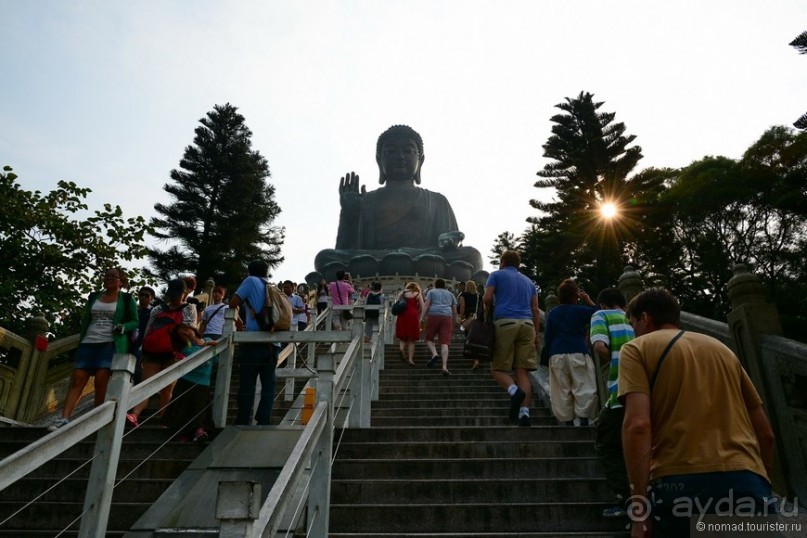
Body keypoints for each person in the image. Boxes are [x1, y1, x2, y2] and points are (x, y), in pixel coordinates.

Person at [619, 288, 776, 537]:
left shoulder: (637, 349)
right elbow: (765, 433)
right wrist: (760, 479)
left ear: (645, 318)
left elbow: (638, 425)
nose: (633, 330)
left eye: (632, 323)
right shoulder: (723, 350)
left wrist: (639, 507)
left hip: (681, 484)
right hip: (747, 480)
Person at [313, 125, 483, 278]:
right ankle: (401, 259)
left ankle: (404, 258)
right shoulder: (366, 201)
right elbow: (345, 250)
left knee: (472, 256)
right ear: (379, 160)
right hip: (374, 260)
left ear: (420, 160)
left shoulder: (436, 201)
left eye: (408, 151)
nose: (400, 157)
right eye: (391, 151)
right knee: (324, 257)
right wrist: (350, 215)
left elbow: (451, 245)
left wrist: (448, 240)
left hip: (425, 259)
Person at [51, 268, 139, 429]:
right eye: (106, 275)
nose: (109, 278)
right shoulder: (94, 297)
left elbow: (135, 321)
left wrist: (123, 327)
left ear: (121, 281)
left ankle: (95, 417)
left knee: (100, 380)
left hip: (109, 344)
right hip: (89, 342)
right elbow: (87, 319)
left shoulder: (126, 299)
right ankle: (64, 418)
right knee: (78, 378)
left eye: (113, 276)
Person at [589, 287, 634, 519]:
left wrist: (615, 359)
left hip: (619, 393)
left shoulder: (601, 316)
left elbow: (599, 346)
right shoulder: (634, 318)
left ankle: (626, 500)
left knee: (607, 445)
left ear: (602, 305)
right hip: (643, 395)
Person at [128, 278, 197, 428]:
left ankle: (138, 415)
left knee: (151, 387)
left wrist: (143, 350)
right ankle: (153, 419)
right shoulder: (188, 309)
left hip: (164, 352)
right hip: (170, 351)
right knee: (161, 389)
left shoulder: (158, 309)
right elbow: (189, 330)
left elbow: (147, 331)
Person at [483, 250, 540, 427]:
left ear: (502, 262)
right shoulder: (529, 282)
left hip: (506, 323)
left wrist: (493, 307)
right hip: (527, 325)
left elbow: (486, 298)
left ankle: (514, 391)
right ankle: (524, 414)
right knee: (522, 371)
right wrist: (536, 334)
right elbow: (535, 309)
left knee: (497, 369)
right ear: (518, 264)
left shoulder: (496, 275)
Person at [229, 260, 279, 426]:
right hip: (273, 343)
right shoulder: (272, 287)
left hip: (254, 341)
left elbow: (233, 303)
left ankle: (243, 419)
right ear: (266, 272)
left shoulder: (250, 281)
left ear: (249, 271)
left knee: (247, 383)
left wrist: (238, 318)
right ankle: (264, 419)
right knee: (268, 384)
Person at [544, 278, 598, 426]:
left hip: (557, 353)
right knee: (584, 386)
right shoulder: (579, 310)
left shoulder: (553, 313)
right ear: (576, 296)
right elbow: (598, 313)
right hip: (578, 350)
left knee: (561, 390)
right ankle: (584, 420)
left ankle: (568, 423)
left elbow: (548, 336)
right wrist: (587, 300)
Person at [163, 323, 218, 442]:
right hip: (187, 381)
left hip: (204, 382)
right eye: (182, 334)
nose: (186, 333)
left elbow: (215, 360)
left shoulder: (208, 340)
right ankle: (185, 433)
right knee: (184, 409)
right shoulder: (186, 348)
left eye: (186, 329)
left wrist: (210, 347)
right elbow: (194, 357)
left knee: (200, 406)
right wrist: (205, 347)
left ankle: (200, 430)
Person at [421, 278, 458, 375]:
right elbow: (454, 310)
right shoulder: (450, 294)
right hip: (447, 316)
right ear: (444, 285)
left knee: (429, 338)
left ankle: (434, 354)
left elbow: (426, 305)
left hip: (434, 314)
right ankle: (444, 367)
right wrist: (455, 322)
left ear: (435, 285)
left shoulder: (431, 292)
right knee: (445, 342)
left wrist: (421, 317)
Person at [395, 282, 424, 367]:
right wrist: (421, 317)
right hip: (413, 316)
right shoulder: (417, 293)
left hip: (402, 315)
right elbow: (423, 306)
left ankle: (401, 349)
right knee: (411, 340)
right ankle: (411, 360)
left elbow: (397, 302)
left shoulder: (403, 292)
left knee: (403, 338)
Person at [132, 285, 156, 384]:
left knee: (138, 372)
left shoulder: (153, 312)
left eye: (147, 295)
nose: (143, 297)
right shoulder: (134, 310)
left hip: (144, 346)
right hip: (131, 343)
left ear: (152, 298)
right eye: (141, 295)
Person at [458, 279, 483, 369]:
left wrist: (462, 319)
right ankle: (477, 357)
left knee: (469, 338)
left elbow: (462, 307)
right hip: (478, 319)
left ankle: (475, 359)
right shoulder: (479, 296)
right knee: (476, 338)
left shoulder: (464, 295)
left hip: (469, 318)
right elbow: (483, 308)